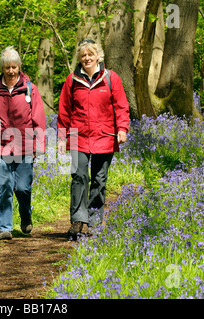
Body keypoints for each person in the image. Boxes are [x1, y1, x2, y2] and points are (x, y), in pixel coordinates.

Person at [57, 39, 130, 240]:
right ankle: (78, 220)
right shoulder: (72, 81)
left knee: (99, 179)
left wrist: (122, 129)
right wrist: (62, 137)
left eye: (90, 54)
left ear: (98, 56)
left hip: (105, 137)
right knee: (79, 176)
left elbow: (121, 106)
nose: (87, 58)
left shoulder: (111, 78)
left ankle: (95, 221)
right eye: (83, 55)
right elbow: (64, 110)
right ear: (79, 59)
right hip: (78, 137)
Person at [0, 46, 46, 240]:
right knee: (4, 185)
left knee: (23, 188)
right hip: (0, 146)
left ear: (19, 67)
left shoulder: (30, 89)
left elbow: (38, 117)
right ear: (2, 68)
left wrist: (39, 145)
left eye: (14, 67)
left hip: (25, 145)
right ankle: (5, 227)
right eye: (7, 67)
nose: (11, 71)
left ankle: (26, 215)